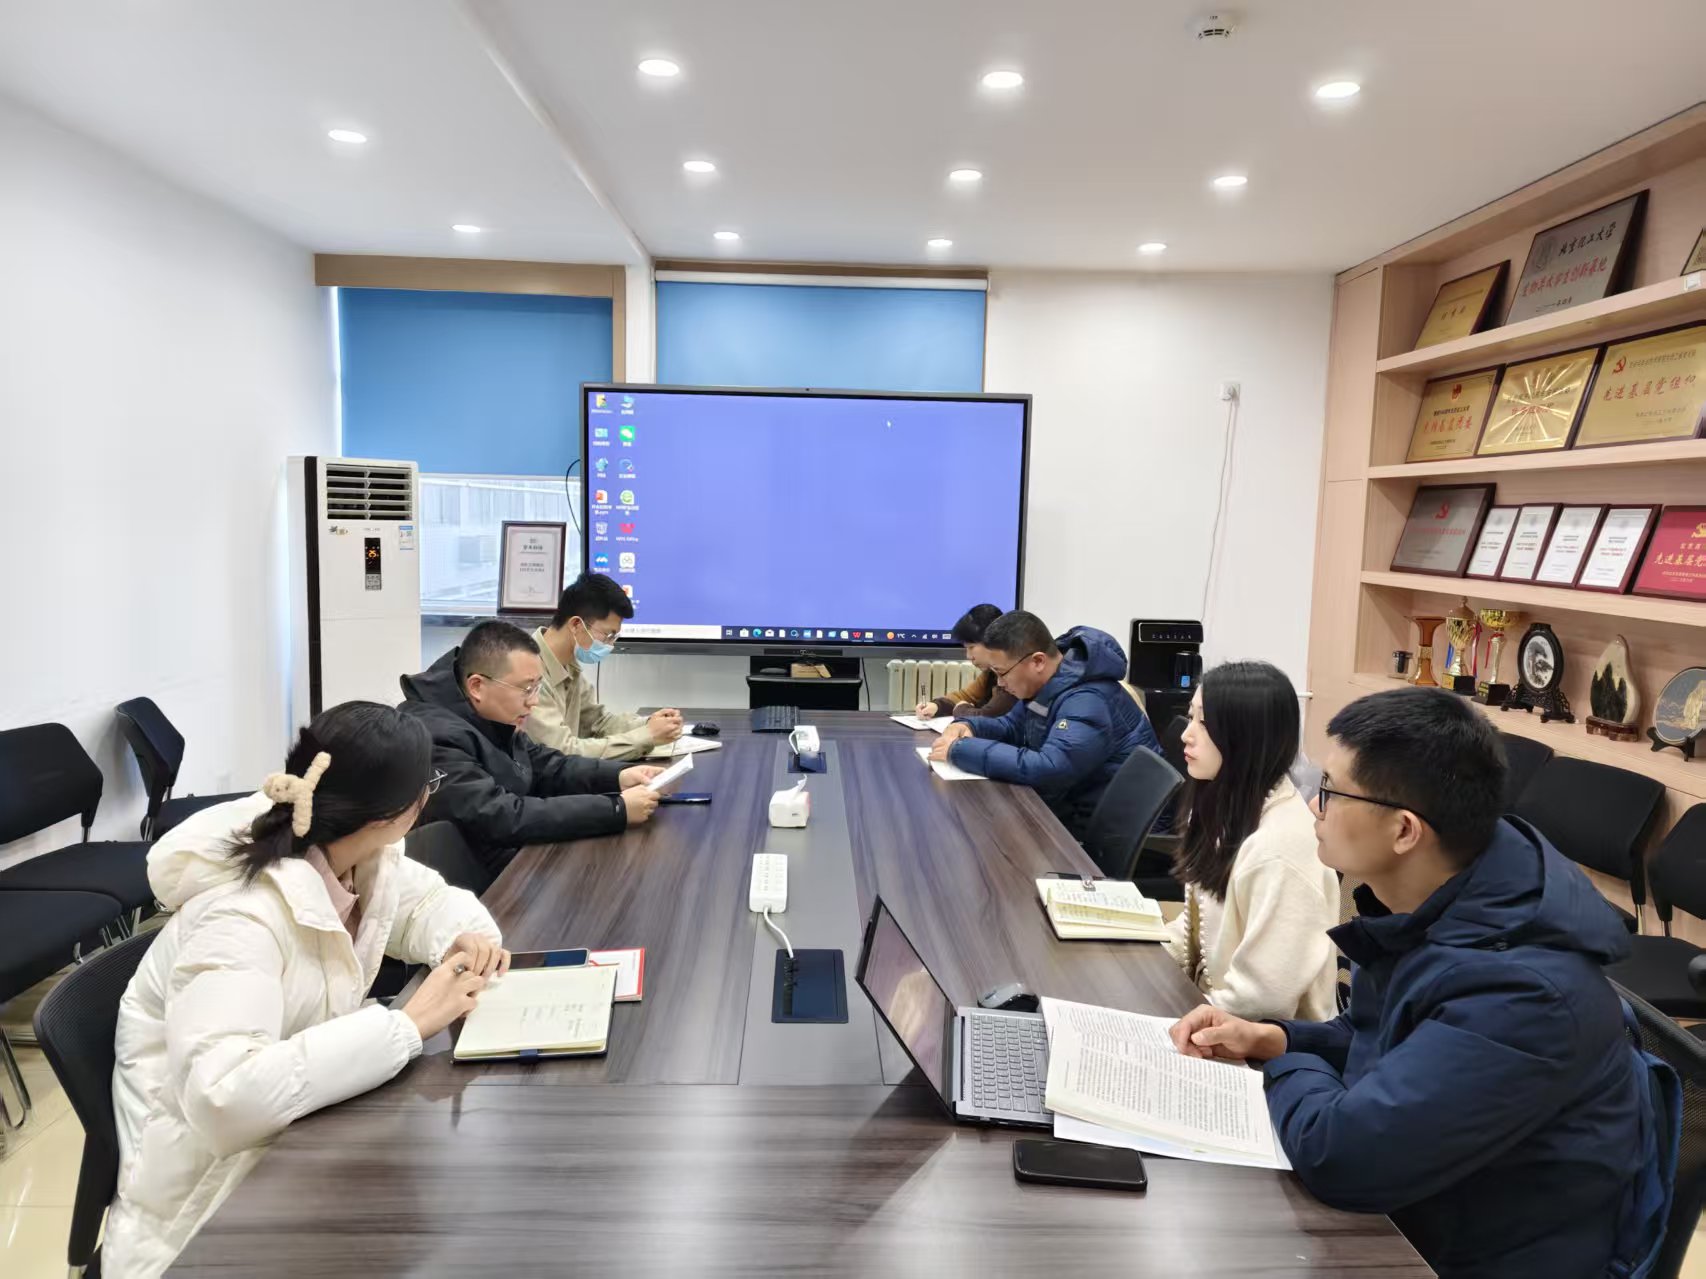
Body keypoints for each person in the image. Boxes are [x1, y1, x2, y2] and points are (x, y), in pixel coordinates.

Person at [1168, 687, 1654, 1279]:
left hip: (1464, 1258)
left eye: (1331, 791)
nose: (1314, 806)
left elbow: (1342, 1158)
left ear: (1404, 831)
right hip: (1422, 1217)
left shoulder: (1522, 996)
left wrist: (1286, 1065)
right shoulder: (1442, 903)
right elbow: (1381, 1036)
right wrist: (1276, 1038)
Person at [108, 702, 508, 1277]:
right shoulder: (237, 918)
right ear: (396, 812)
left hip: (297, 1143)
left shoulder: (357, 856)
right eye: (430, 786)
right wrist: (405, 1025)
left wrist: (464, 939)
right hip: (206, 1211)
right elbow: (226, 1100)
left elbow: (425, 903)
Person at [400, 620, 663, 872]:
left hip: (513, 859)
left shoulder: (489, 714)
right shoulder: (434, 736)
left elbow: (546, 766)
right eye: (526, 689)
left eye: (537, 687)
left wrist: (618, 776)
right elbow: (501, 816)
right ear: (477, 686)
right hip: (480, 882)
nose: (534, 701)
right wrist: (615, 809)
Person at [1163, 661, 1339, 1021]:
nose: (1186, 735)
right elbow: (1194, 930)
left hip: (1263, 1041)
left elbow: (1261, 1001)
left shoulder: (1279, 848)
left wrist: (1169, 1017)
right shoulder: (1225, 807)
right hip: (1214, 1012)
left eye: (1204, 723)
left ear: (1246, 737)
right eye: (1191, 717)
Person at [930, 610, 1159, 840]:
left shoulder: (1088, 699)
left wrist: (960, 749)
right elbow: (1011, 726)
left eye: (1001, 672)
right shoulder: (1049, 685)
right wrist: (970, 726)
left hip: (1117, 836)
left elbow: (1051, 768)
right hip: (1076, 812)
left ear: (1038, 661)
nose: (1000, 683)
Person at [527, 571, 684, 759]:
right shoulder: (529, 673)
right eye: (608, 635)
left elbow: (597, 724)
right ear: (576, 624)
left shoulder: (568, 665)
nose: (610, 645)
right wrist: (647, 736)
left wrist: (649, 724)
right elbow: (561, 752)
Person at [914, 602, 1019, 721]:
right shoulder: (990, 673)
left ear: (991, 640)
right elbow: (967, 696)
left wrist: (961, 709)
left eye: (971, 647)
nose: (969, 656)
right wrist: (936, 706)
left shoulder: (1013, 674)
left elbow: (989, 715)